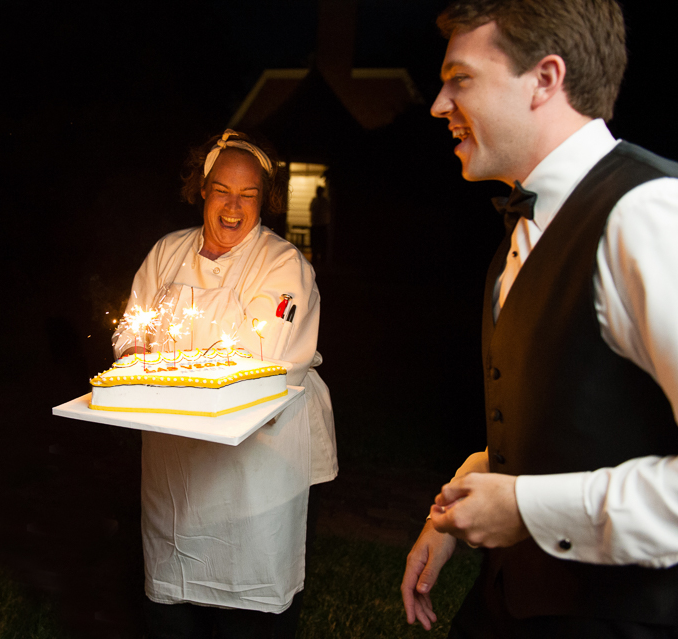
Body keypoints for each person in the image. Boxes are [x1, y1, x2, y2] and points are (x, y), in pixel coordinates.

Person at [400, 1, 678, 636]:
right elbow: (585, 420)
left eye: (460, 78)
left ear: (546, 79)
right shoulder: (524, 231)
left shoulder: (649, 215)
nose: (440, 104)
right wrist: (463, 495)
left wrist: (525, 509)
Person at [112, 129, 337, 638]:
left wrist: (171, 371)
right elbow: (131, 327)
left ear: (266, 202)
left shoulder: (283, 265)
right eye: (222, 190)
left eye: (249, 195)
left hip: (261, 465)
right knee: (173, 592)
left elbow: (264, 364)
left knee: (251, 607)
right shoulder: (167, 253)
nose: (233, 207)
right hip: (175, 458)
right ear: (202, 190)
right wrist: (134, 353)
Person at [308, 186, 331, 266]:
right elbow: (311, 209)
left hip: (322, 225)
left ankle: (322, 260)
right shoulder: (314, 200)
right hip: (315, 224)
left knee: (322, 244)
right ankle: (314, 259)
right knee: (314, 243)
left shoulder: (325, 201)